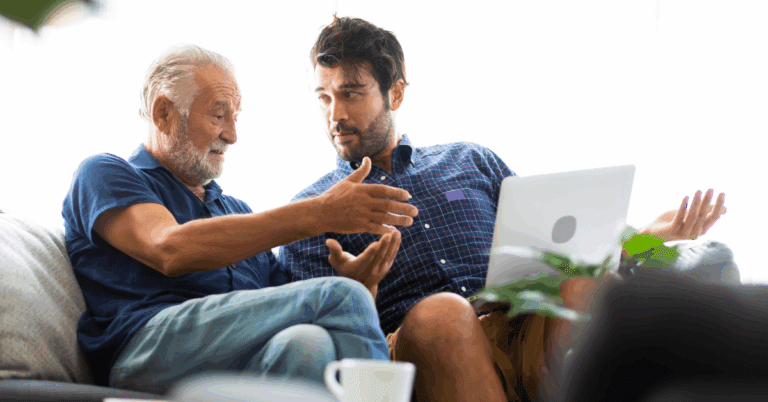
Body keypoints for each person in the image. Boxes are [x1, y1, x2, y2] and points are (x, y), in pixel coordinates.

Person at [279, 16, 729, 402]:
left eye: (351, 93)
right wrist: (359, 292)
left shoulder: (471, 160)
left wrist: (652, 237)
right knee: (442, 315)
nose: (335, 113)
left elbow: (551, 247)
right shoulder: (310, 212)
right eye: (324, 96)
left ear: (395, 93)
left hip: (518, 328)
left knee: (583, 282)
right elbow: (318, 345)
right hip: (424, 345)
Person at [62, 45, 418, 395]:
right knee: (341, 297)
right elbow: (168, 248)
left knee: (307, 344)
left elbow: (285, 302)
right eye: (218, 116)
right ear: (163, 113)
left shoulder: (236, 211)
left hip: (229, 356)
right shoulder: (106, 173)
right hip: (144, 347)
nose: (232, 135)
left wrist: (362, 284)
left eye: (236, 117)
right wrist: (319, 213)